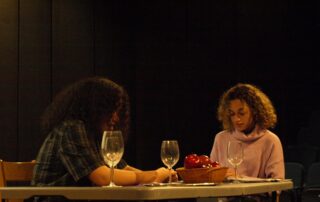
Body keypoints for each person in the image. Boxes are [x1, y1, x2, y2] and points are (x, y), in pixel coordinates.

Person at [32, 77, 174, 201]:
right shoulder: (72, 128)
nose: (116, 118)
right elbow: (104, 177)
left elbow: (121, 168)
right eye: (112, 110)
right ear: (95, 107)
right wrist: (154, 175)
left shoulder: (92, 133)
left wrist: (159, 176)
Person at [210, 83, 284, 201]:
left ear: (255, 111)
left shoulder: (270, 140)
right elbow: (212, 176)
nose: (236, 119)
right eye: (232, 114)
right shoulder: (221, 138)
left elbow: (277, 186)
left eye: (241, 113)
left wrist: (239, 178)